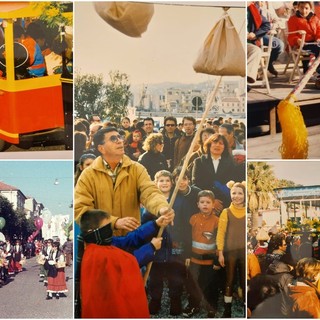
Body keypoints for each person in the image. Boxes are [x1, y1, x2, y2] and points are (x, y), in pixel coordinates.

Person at [74, 127, 174, 236]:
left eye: (119, 137)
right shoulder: (88, 175)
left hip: (131, 240)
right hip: (101, 243)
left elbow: (150, 192)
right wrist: (113, 222)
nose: (120, 140)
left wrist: (162, 207)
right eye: (113, 139)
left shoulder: (137, 169)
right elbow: (81, 210)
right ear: (101, 148)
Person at [77, 209, 172, 318]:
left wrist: (155, 224)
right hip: (106, 308)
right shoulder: (96, 254)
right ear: (91, 230)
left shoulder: (101, 241)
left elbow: (128, 240)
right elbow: (130, 262)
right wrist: (151, 247)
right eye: (107, 227)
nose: (110, 231)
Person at [183, 190, 221, 318]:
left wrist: (216, 261)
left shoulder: (217, 221)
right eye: (202, 202)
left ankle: (211, 308)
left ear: (213, 204)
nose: (205, 205)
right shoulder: (193, 219)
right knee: (193, 284)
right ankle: (194, 305)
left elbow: (219, 242)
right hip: (194, 260)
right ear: (197, 204)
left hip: (209, 262)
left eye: (208, 202)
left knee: (210, 286)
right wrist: (187, 255)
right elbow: (187, 239)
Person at [192, 133, 244, 215]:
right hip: (205, 204)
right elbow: (196, 184)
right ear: (209, 145)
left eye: (221, 143)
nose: (217, 145)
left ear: (224, 147)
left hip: (225, 205)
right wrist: (212, 201)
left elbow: (234, 184)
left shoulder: (231, 163)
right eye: (215, 142)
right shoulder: (199, 161)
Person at [217, 181, 246, 318]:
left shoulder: (247, 212)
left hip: (244, 253)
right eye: (234, 193)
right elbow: (221, 233)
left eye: (240, 193)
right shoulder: (226, 212)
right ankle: (227, 309)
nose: (237, 196)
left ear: (245, 195)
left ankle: (247, 307)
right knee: (229, 280)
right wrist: (220, 252)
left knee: (244, 280)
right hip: (231, 252)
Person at [288, 1, 320, 76]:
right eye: (301, 8)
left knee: (318, 48)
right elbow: (291, 35)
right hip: (302, 44)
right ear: (298, 7)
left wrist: (319, 38)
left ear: (310, 8)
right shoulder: (293, 19)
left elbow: (319, 30)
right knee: (318, 49)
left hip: (314, 43)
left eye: (306, 8)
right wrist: (297, 40)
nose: (304, 10)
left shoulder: (315, 18)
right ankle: (317, 71)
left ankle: (316, 71)